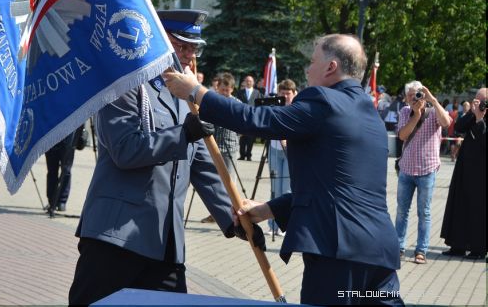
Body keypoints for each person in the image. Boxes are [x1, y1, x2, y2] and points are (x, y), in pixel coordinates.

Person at [164, 33, 403, 306]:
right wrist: (269, 209)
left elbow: (257, 120)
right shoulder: (371, 115)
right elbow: (339, 188)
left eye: (312, 61)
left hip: (338, 256)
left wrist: (196, 92)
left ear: (331, 67)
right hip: (379, 256)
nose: (308, 70)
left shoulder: (324, 101)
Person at [68, 10, 260, 305]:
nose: (189, 54)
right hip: (116, 237)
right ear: (158, 41)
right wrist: (182, 135)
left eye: (194, 48)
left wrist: (235, 219)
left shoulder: (184, 96)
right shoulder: (125, 85)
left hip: (164, 243)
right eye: (182, 45)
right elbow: (124, 150)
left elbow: (203, 167)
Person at [394, 81, 451, 265]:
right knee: (402, 212)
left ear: (423, 95)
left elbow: (446, 122)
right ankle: (398, 248)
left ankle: (421, 251)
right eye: (410, 96)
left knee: (424, 212)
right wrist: (416, 115)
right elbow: (402, 135)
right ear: (406, 98)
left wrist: (433, 100)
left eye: (417, 95)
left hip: (427, 169)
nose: (413, 99)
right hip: (406, 169)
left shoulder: (433, 112)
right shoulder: (405, 112)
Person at [440, 88, 486, 260]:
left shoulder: (482, 118)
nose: (479, 104)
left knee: (477, 211)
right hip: (464, 170)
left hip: (481, 174)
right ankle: (457, 245)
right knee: (459, 206)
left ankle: (478, 249)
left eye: (482, 101)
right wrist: (473, 114)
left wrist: (481, 119)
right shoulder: (473, 114)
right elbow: (459, 127)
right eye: (476, 100)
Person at [200, 72, 240, 224]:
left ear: (232, 89)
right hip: (214, 146)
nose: (224, 93)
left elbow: (243, 126)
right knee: (214, 181)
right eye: (222, 89)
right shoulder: (214, 101)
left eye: (227, 90)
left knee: (230, 182)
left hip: (230, 147)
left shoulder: (237, 103)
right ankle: (215, 213)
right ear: (218, 87)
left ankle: (233, 214)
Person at [267, 79, 297, 236]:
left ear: (294, 94)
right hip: (274, 149)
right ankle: (272, 225)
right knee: (275, 189)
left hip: (290, 151)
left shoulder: (297, 108)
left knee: (286, 189)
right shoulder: (275, 107)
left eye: (288, 93)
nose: (285, 96)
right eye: (282, 93)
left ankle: (285, 224)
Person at [45, 125, 83, 213]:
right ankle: (52, 201)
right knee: (52, 170)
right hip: (52, 133)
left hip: (69, 135)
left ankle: (61, 201)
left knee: (65, 170)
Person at [236, 75, 261, 161]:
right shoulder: (240, 92)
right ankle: (242, 155)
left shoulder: (257, 93)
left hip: (252, 118)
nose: (248, 82)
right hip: (242, 117)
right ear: (244, 82)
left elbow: (259, 105)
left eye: (250, 81)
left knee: (251, 137)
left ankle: (249, 155)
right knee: (242, 138)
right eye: (247, 81)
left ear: (253, 82)